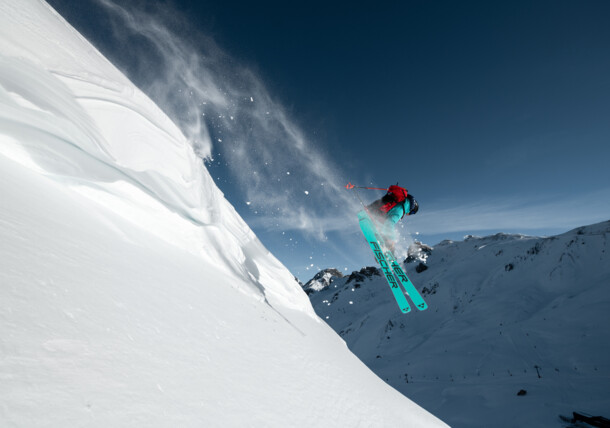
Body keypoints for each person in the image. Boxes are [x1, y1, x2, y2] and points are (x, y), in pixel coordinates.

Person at [366, 185, 419, 252]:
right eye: (411, 213)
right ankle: (387, 249)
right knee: (388, 232)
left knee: (383, 227)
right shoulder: (401, 210)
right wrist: (391, 240)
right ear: (411, 209)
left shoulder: (400, 201)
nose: (408, 215)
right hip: (375, 214)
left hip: (373, 210)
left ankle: (378, 238)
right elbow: (389, 222)